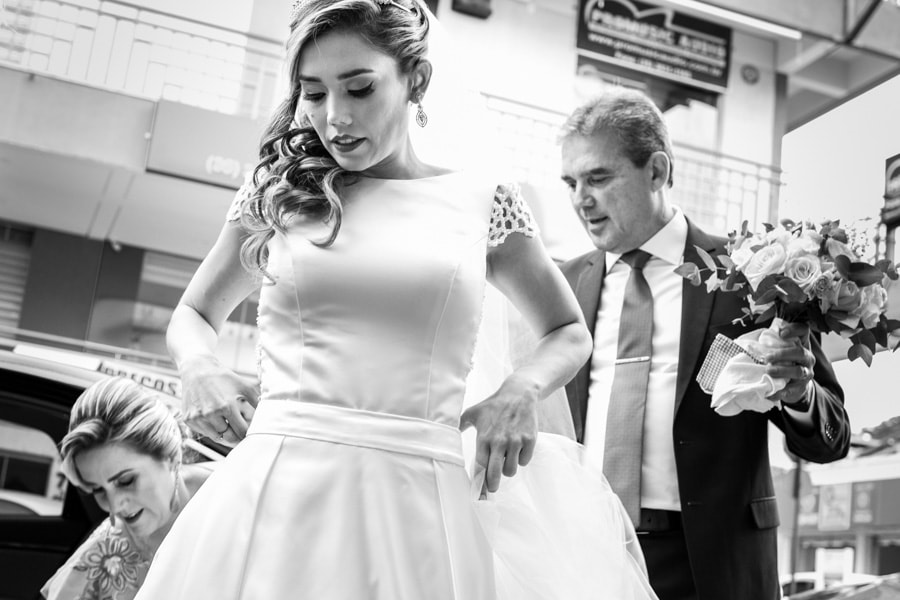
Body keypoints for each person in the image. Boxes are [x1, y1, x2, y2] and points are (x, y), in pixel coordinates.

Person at [131, 1, 658, 599]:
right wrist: (199, 366)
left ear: (417, 82)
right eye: (313, 93)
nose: (335, 118)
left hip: (418, 503)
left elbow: (566, 329)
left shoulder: (482, 201)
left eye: (359, 89)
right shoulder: (276, 192)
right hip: (273, 493)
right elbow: (194, 315)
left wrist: (519, 390)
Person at [558, 87, 852, 600]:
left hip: (712, 566)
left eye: (599, 178)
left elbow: (832, 437)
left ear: (656, 171)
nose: (582, 199)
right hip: (586, 555)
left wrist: (799, 394)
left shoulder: (751, 273)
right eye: (571, 182)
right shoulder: (563, 285)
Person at [41, 377, 216, 600]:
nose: (114, 506)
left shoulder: (241, 498)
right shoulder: (108, 551)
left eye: (126, 481)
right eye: (97, 490)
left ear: (170, 456)